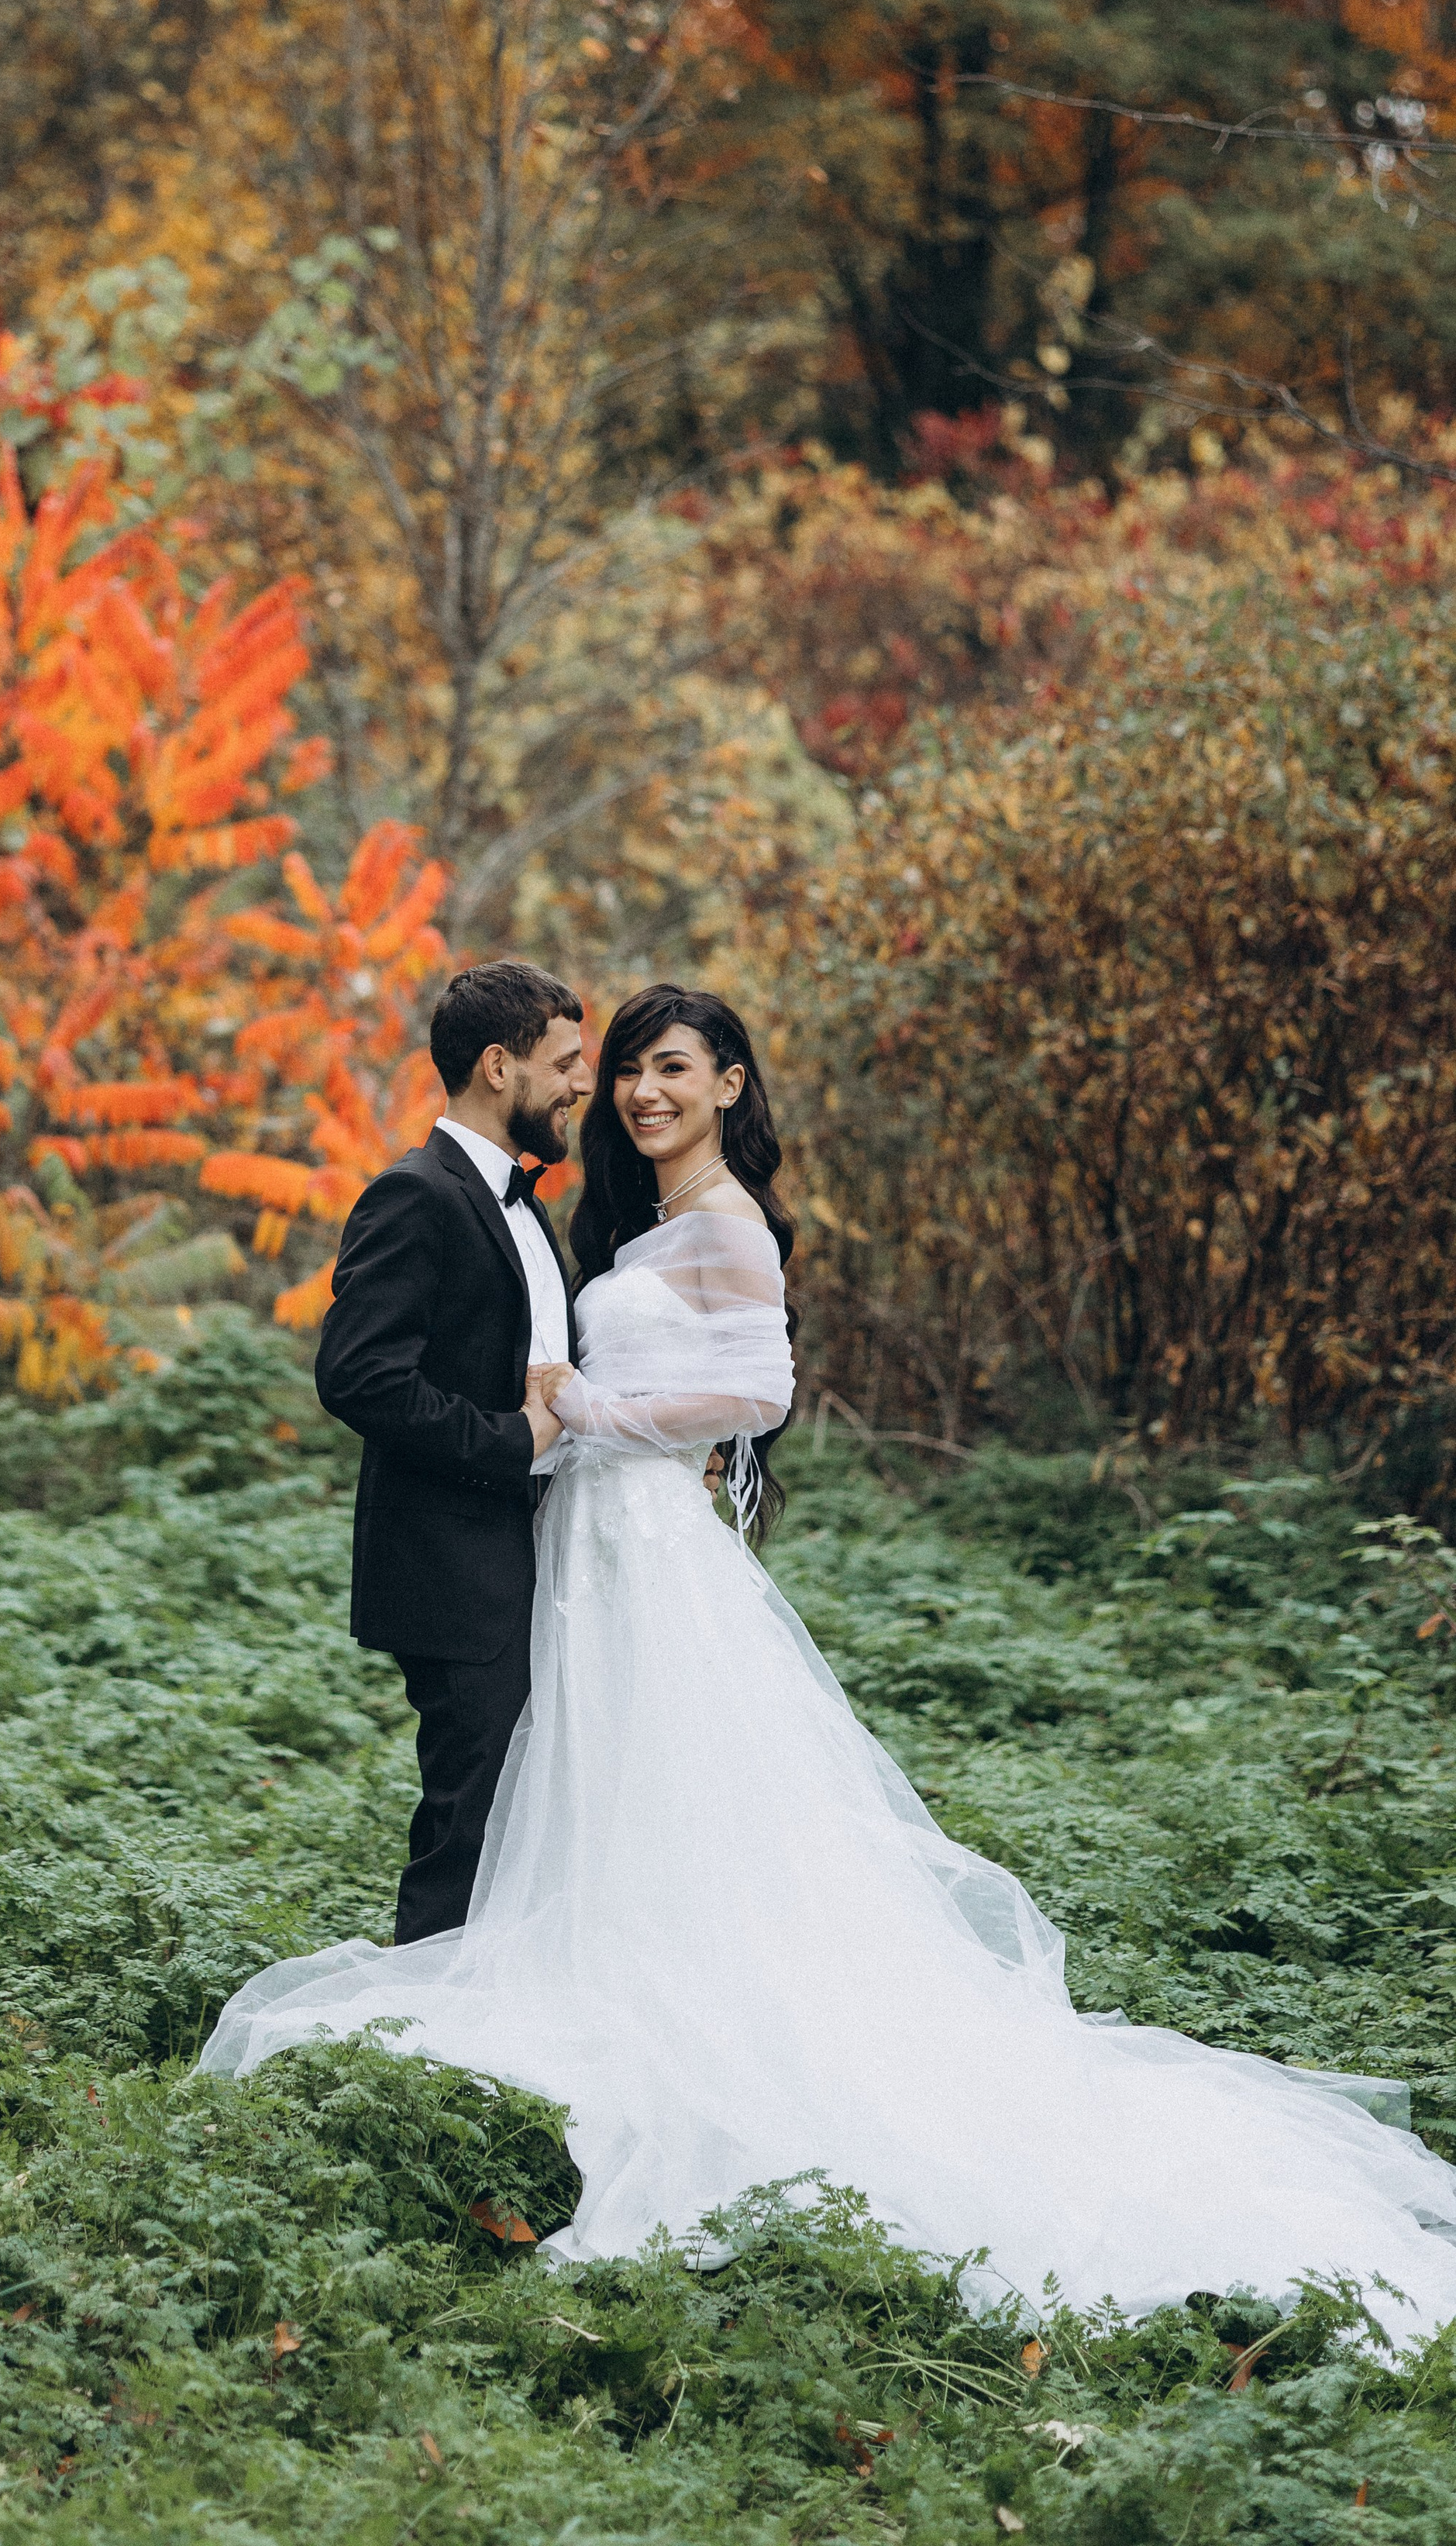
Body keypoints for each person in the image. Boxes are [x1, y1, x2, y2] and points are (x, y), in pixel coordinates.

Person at [206, 984, 1456, 2339]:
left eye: (662, 1068)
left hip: (626, 1552)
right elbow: (389, 1371)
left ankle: (499, 2069)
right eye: (609, 1069)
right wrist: (550, 1435)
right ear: (510, 1068)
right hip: (572, 1552)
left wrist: (589, 1413)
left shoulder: (722, 1223)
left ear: (735, 1084)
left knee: (614, 1802)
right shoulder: (580, 1216)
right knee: (556, 1802)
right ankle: (458, 2069)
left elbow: (762, 1393)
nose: (625, 1092)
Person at [313, 957, 592, 1946]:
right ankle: (420, 2047)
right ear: (496, 1067)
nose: (581, 1083)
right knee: (469, 1825)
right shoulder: (414, 1196)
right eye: (563, 1062)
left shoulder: (528, 1204)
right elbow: (357, 1375)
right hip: (454, 1568)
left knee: (527, 1818)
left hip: (535, 1556)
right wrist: (510, 1441)